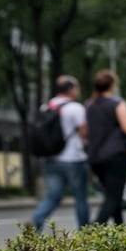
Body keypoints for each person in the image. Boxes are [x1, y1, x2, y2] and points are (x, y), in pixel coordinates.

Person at [28, 76, 89, 231]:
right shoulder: (76, 108)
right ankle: (85, 233)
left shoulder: (46, 107)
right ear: (70, 90)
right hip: (73, 159)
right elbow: (84, 134)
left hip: (50, 159)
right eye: (76, 87)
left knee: (53, 196)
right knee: (80, 197)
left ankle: (36, 220)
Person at [86, 69, 126, 225]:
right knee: (113, 196)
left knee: (113, 194)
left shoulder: (89, 105)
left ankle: (120, 231)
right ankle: (93, 231)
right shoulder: (117, 103)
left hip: (95, 157)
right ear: (112, 85)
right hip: (115, 156)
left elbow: (85, 131)